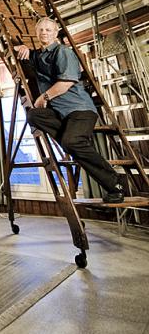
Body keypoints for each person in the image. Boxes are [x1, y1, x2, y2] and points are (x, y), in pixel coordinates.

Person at [14, 17, 124, 203]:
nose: (44, 33)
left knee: (71, 142)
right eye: (40, 30)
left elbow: (65, 84)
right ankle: (69, 139)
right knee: (33, 115)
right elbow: (25, 53)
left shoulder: (63, 51)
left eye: (48, 30)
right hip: (60, 113)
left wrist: (44, 97)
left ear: (56, 33)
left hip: (79, 110)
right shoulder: (39, 55)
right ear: (36, 33)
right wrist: (23, 48)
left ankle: (115, 184)